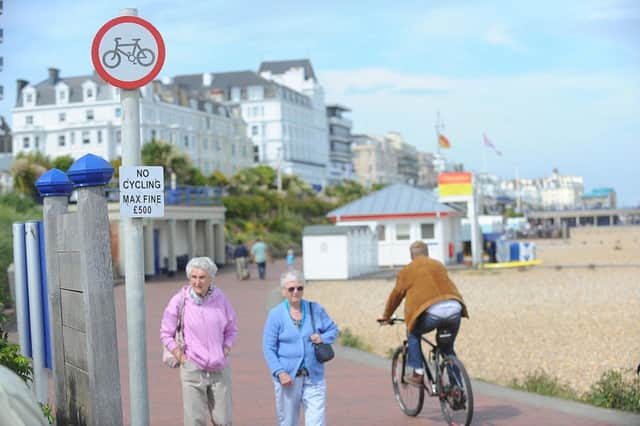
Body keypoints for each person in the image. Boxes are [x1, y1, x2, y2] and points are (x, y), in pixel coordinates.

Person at [377, 241, 468, 385]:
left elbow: (396, 296)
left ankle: (418, 373)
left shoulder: (407, 271)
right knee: (447, 348)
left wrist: (386, 316)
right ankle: (458, 389)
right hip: (455, 308)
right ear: (427, 254)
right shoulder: (438, 264)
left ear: (411, 256)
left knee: (412, 332)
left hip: (433, 313)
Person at [160, 256, 238, 426]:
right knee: (195, 421)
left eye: (202, 277)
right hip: (193, 367)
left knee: (224, 420)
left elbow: (231, 328)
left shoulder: (220, 299)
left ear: (210, 278)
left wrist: (226, 348)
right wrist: (181, 357)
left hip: (219, 368)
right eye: (193, 277)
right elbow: (166, 333)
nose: (197, 282)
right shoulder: (179, 301)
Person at [262, 269, 339, 426]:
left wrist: (322, 338)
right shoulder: (275, 315)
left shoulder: (315, 309)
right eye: (291, 289)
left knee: (316, 422)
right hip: (288, 378)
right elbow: (268, 347)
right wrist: (279, 372)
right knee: (288, 422)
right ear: (284, 291)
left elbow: (333, 329)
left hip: (314, 376)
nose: (296, 292)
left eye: (300, 288)